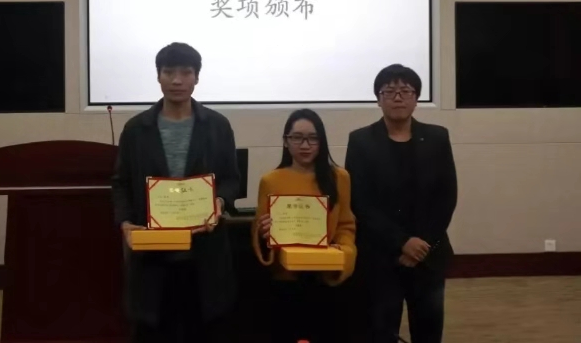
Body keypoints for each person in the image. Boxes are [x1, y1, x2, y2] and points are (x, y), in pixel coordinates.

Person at [111, 42, 240, 343]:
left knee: (203, 332)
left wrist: (220, 201)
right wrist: (125, 223)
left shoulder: (217, 126)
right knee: (153, 333)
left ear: (197, 77)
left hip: (203, 255)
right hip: (153, 256)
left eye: (186, 72)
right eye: (169, 72)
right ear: (158, 76)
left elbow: (231, 179)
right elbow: (120, 182)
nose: (177, 80)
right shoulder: (136, 128)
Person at [345, 64, 458, 343]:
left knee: (429, 332)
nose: (398, 97)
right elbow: (360, 201)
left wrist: (422, 244)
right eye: (389, 91)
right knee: (381, 333)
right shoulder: (360, 141)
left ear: (416, 98)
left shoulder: (437, 137)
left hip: (427, 255)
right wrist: (402, 243)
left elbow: (446, 196)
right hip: (381, 257)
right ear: (378, 99)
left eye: (405, 91)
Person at [252, 108, 357, 343]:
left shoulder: (339, 178)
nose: (305, 145)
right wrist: (264, 232)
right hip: (286, 280)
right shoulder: (271, 180)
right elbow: (259, 232)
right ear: (286, 142)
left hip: (326, 278)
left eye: (312, 138)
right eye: (297, 138)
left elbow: (346, 226)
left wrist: (344, 251)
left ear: (322, 141)